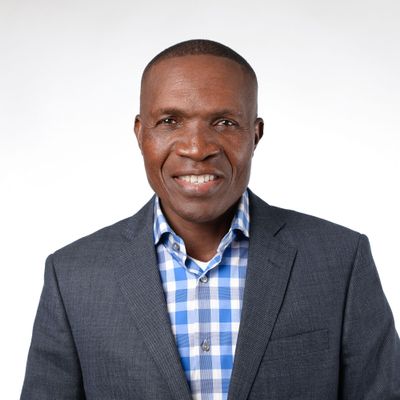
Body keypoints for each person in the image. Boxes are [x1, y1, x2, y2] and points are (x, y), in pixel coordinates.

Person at [21, 39, 400, 400]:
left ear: (255, 134)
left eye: (224, 123)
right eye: (170, 121)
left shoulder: (340, 260)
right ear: (140, 134)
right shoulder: (72, 276)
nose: (197, 148)